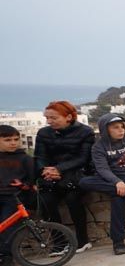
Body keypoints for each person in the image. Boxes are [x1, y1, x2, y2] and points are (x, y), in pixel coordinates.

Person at [78, 113, 125, 255]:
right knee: (83, 182)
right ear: (106, 130)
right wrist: (117, 182)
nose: (120, 130)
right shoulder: (98, 147)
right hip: (110, 180)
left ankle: (118, 242)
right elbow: (102, 169)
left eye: (122, 127)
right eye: (115, 127)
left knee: (118, 198)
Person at [34, 100, 95, 253]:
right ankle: (59, 243)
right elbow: (39, 156)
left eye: (53, 118)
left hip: (75, 175)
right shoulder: (43, 133)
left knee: (73, 199)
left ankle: (82, 241)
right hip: (51, 177)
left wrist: (59, 169)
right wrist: (46, 170)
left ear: (68, 117)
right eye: (47, 118)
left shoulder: (85, 132)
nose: (49, 121)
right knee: (46, 202)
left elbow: (83, 158)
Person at [0, 124, 36, 266]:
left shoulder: (24, 158)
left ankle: (6, 257)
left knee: (7, 226)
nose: (13, 143)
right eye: (8, 140)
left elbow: (32, 179)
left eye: (16, 139)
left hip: (15, 197)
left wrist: (24, 185)